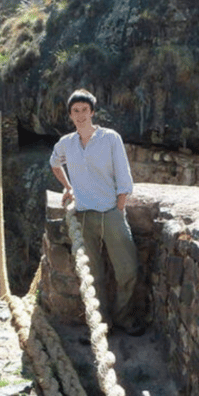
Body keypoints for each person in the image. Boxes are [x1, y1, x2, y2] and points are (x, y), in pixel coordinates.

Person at [49, 89, 144, 336]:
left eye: (84, 110)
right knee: (93, 276)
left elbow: (124, 177)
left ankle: (124, 317)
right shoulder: (67, 143)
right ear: (70, 115)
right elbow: (54, 162)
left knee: (128, 270)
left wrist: (119, 208)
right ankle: (102, 324)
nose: (80, 115)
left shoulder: (110, 138)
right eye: (75, 111)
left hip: (110, 212)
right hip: (83, 215)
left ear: (92, 111)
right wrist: (68, 187)